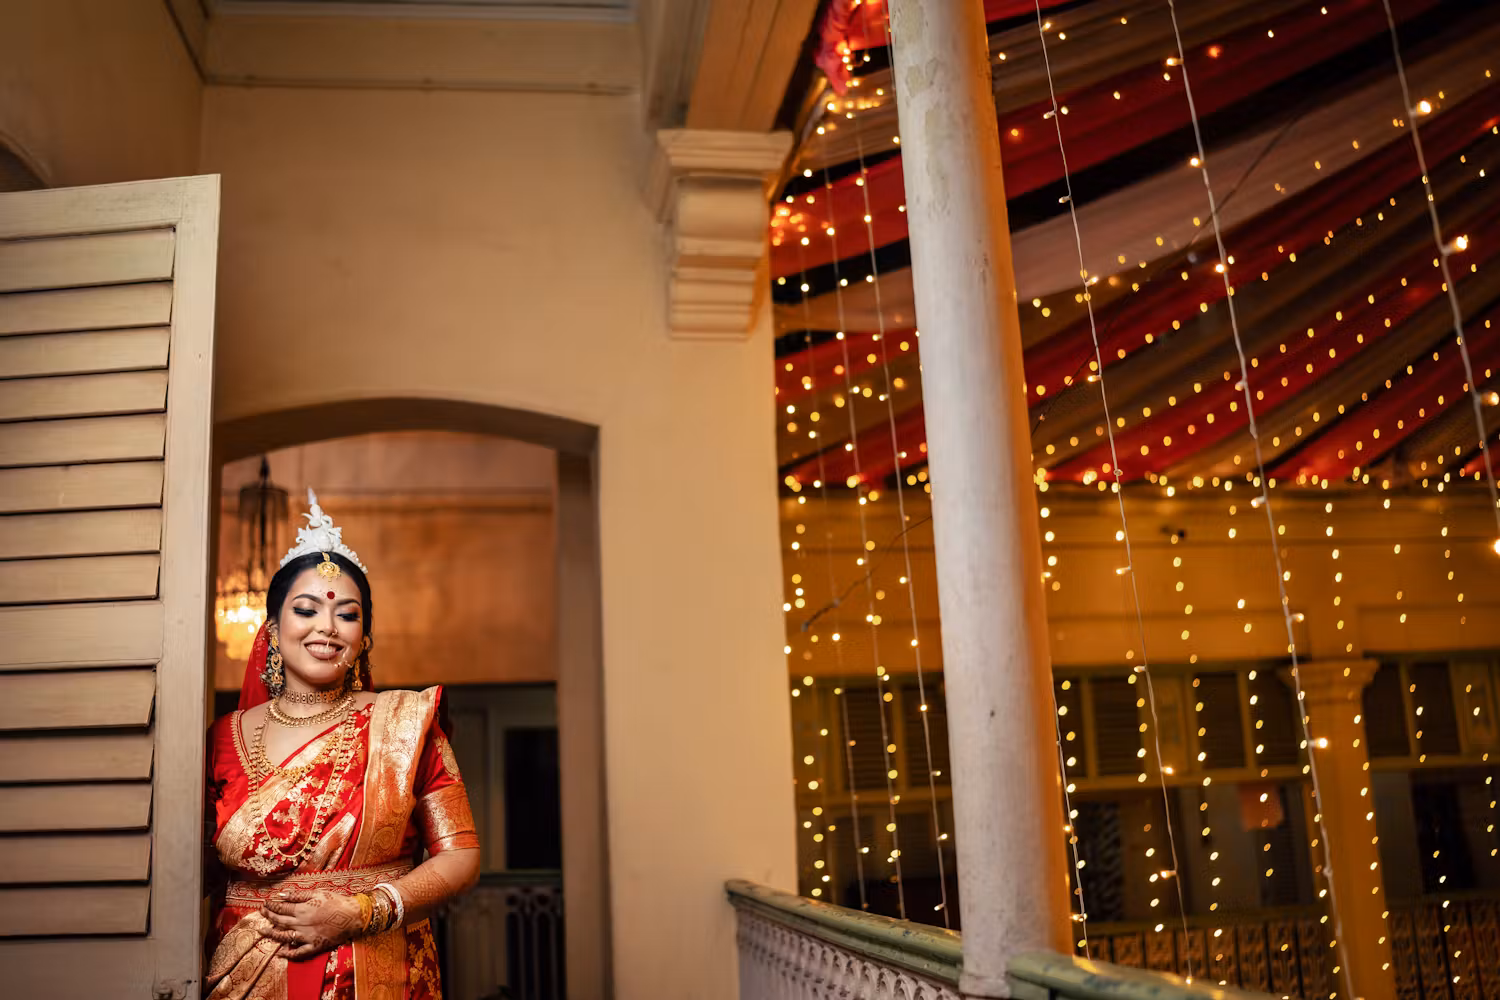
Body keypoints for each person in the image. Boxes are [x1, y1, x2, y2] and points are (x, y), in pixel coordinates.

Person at [204, 490, 480, 999]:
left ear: (364, 639)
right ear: (272, 629)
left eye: (347, 615)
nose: (326, 628)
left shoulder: (406, 726)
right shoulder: (223, 736)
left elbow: (460, 857)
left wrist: (361, 911)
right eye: (305, 610)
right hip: (246, 971)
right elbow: (190, 871)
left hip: (377, 968)